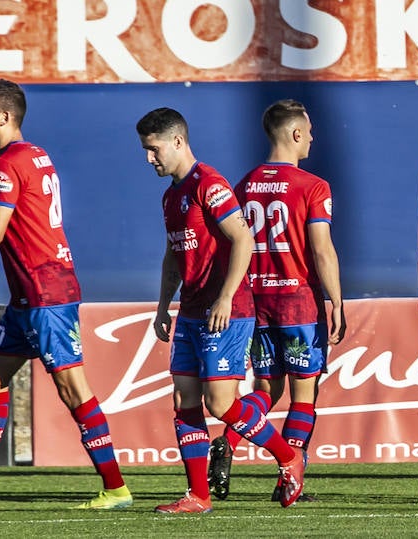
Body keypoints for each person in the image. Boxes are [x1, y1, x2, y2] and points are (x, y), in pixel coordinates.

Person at [0, 79, 132, 511]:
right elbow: (15, 224)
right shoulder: (34, 154)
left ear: (5, 116)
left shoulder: (7, 163)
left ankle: (116, 488)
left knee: (73, 390)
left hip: (45, 293)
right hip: (31, 294)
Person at [137, 107, 307, 512]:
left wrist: (227, 296)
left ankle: (288, 457)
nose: (149, 158)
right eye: (145, 150)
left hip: (226, 312)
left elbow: (243, 239)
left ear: (177, 142)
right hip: (191, 311)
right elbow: (173, 256)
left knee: (221, 404)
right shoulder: (171, 195)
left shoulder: (208, 184)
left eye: (154, 148)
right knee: (185, 401)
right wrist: (164, 306)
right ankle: (198, 494)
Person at [207, 99, 347, 503]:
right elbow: (322, 250)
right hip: (298, 300)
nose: (313, 138)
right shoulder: (313, 186)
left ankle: (228, 442)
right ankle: (290, 480)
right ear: (296, 134)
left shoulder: (245, 183)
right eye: (309, 130)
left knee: (266, 389)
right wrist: (336, 300)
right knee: (305, 394)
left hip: (256, 301)